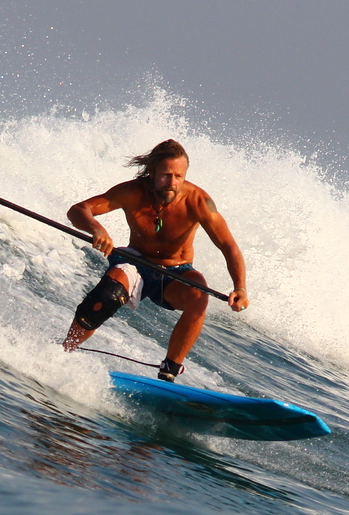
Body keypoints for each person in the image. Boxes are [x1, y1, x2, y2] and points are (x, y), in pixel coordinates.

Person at [62, 139, 249, 381]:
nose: (173, 183)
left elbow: (229, 246)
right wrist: (96, 228)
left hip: (176, 273)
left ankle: (169, 372)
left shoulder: (199, 202)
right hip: (136, 263)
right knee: (109, 291)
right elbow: (79, 209)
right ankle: (63, 352)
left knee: (199, 295)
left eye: (179, 176)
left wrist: (240, 287)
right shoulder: (132, 192)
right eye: (166, 175)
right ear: (152, 172)